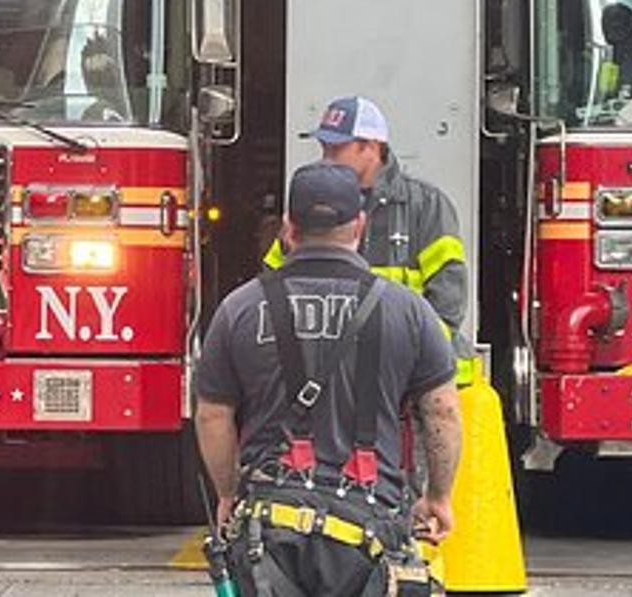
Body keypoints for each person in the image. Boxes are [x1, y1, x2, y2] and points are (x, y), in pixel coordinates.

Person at [197, 162, 462, 597]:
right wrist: (438, 496)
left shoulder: (239, 309)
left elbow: (212, 415)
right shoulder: (409, 311)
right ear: (359, 225)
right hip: (370, 528)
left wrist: (227, 492)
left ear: (288, 228)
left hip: (269, 528)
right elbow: (443, 412)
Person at [267, 96, 473, 380]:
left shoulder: (427, 206)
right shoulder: (312, 202)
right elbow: (271, 288)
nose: (326, 157)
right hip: (335, 377)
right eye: (324, 147)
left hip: (411, 378)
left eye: (337, 148)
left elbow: (448, 305)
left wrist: (404, 363)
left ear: (372, 147)